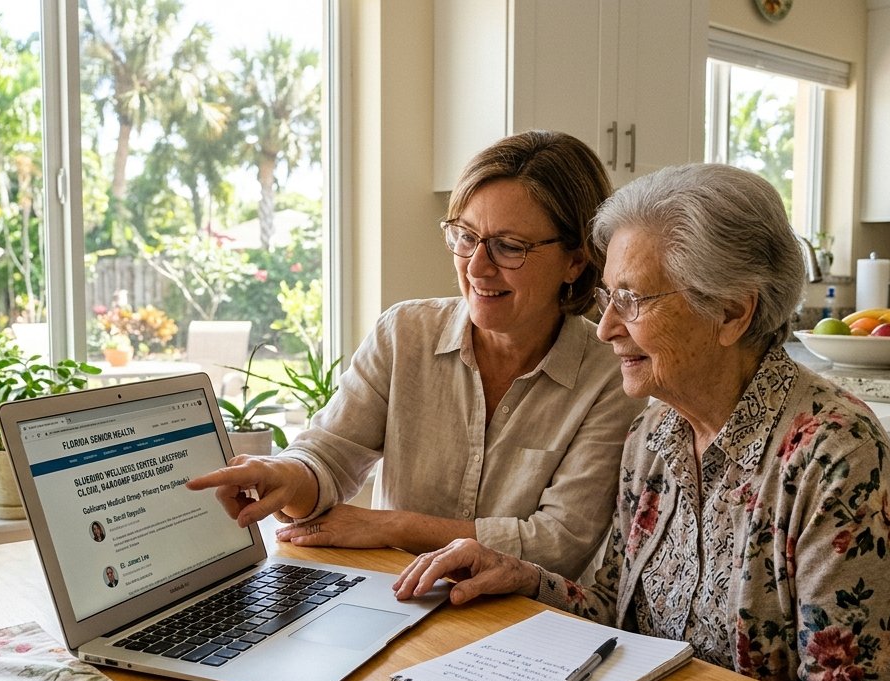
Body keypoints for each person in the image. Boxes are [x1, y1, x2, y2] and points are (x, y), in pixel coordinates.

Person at [393, 163, 890, 681]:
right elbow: (618, 614)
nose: (607, 325)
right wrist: (521, 576)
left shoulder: (836, 459)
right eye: (609, 296)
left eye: (632, 300)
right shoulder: (654, 434)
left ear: (733, 312)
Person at [188, 130, 645, 577]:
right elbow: (328, 457)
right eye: (466, 237)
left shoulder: (610, 371)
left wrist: (394, 526)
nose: (477, 268)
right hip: (399, 603)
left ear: (576, 260)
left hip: (522, 623)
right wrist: (286, 476)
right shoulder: (404, 332)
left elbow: (559, 543)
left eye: (509, 247)